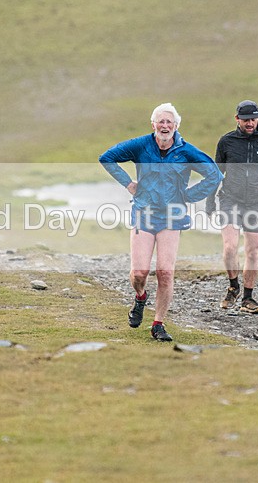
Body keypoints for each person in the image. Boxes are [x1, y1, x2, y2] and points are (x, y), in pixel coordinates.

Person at [100, 103, 222, 341]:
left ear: (176, 126)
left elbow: (215, 174)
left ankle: (158, 323)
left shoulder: (186, 152)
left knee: (165, 272)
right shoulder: (141, 145)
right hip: (143, 214)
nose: (165, 126)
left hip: (172, 217)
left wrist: (189, 196)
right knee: (139, 273)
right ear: (153, 124)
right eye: (161, 121)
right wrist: (128, 184)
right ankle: (140, 297)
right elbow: (107, 158)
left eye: (169, 122)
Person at [205, 100, 258, 313]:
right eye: (245, 120)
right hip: (230, 199)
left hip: (256, 201)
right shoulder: (227, 142)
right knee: (230, 247)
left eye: (253, 119)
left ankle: (248, 298)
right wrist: (209, 201)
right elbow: (216, 172)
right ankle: (233, 286)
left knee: (252, 251)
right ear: (237, 120)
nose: (250, 123)